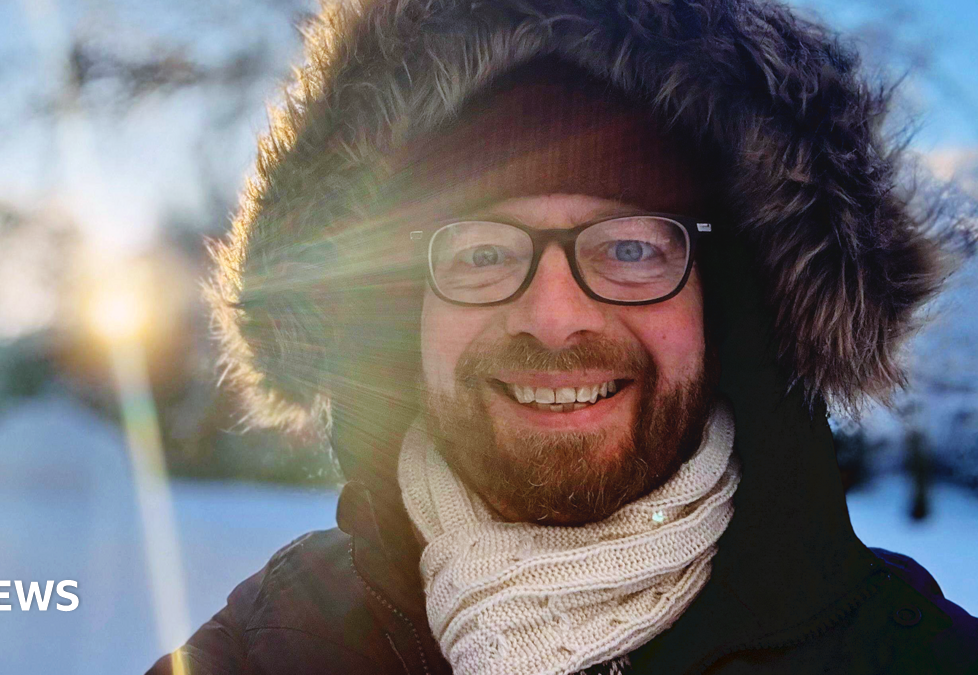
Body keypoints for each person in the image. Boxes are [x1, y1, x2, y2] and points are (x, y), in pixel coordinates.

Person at [149, 0, 978, 672]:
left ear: (727, 304)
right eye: (481, 251)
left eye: (629, 249)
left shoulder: (911, 654)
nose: (553, 317)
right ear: (404, 312)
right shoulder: (278, 642)